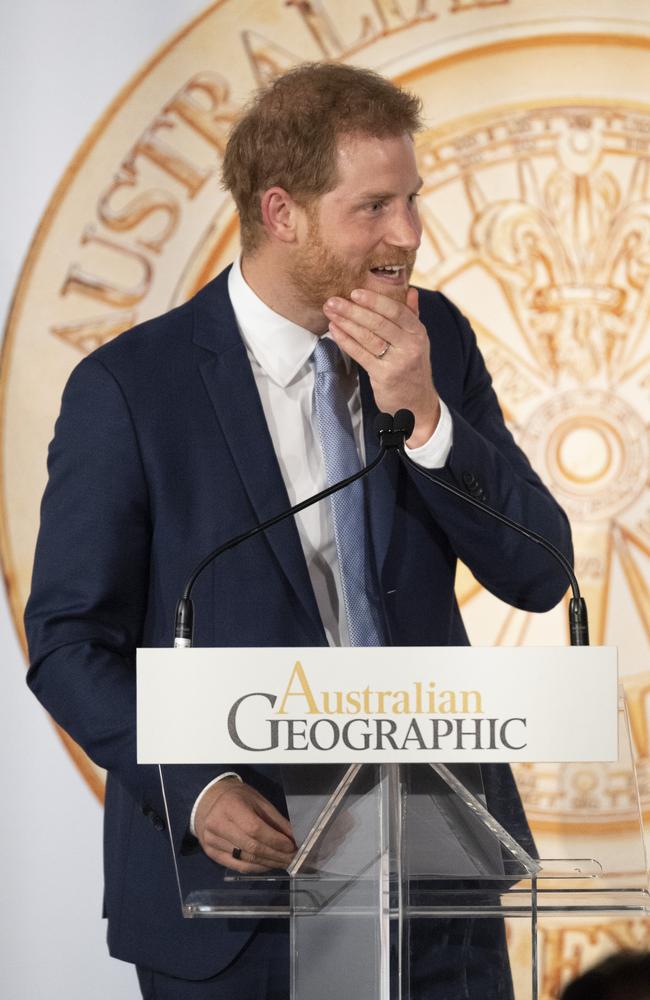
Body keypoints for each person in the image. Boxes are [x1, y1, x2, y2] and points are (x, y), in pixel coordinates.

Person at [25, 63, 572, 999]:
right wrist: (194, 786)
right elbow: (72, 642)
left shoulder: (433, 338)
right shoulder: (131, 389)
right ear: (281, 214)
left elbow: (538, 572)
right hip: (243, 896)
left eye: (414, 200)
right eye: (374, 208)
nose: (408, 235)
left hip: (440, 887)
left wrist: (426, 414)